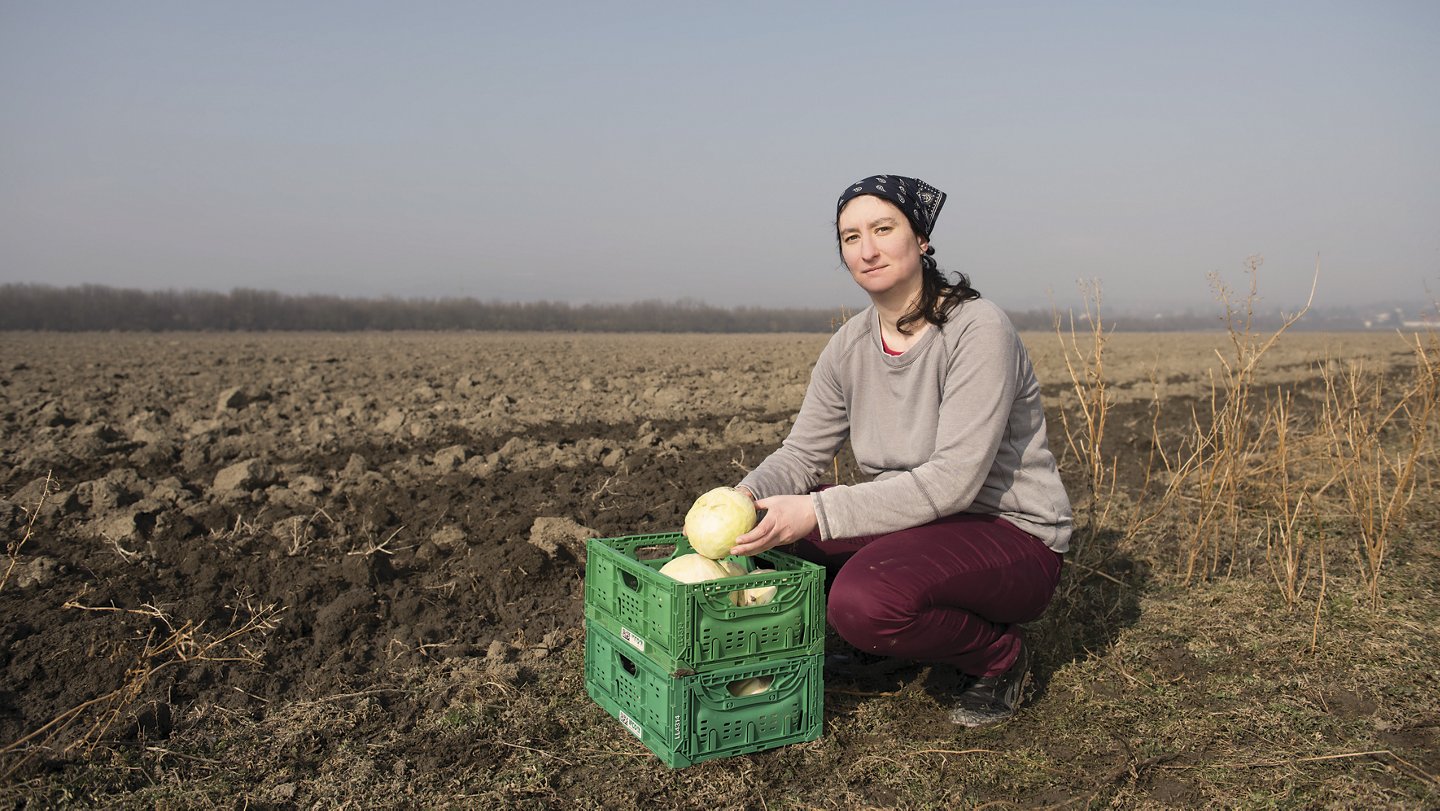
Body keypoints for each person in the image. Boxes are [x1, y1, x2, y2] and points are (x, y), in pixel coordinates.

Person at [726, 174, 1072, 727]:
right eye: (850, 237)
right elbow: (801, 455)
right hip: (917, 524)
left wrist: (817, 511)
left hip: (1008, 535)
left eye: (883, 229)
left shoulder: (976, 329)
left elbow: (952, 481)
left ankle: (999, 656)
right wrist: (741, 496)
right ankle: (891, 645)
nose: (867, 249)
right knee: (768, 537)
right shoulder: (848, 346)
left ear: (921, 239)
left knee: (862, 601)